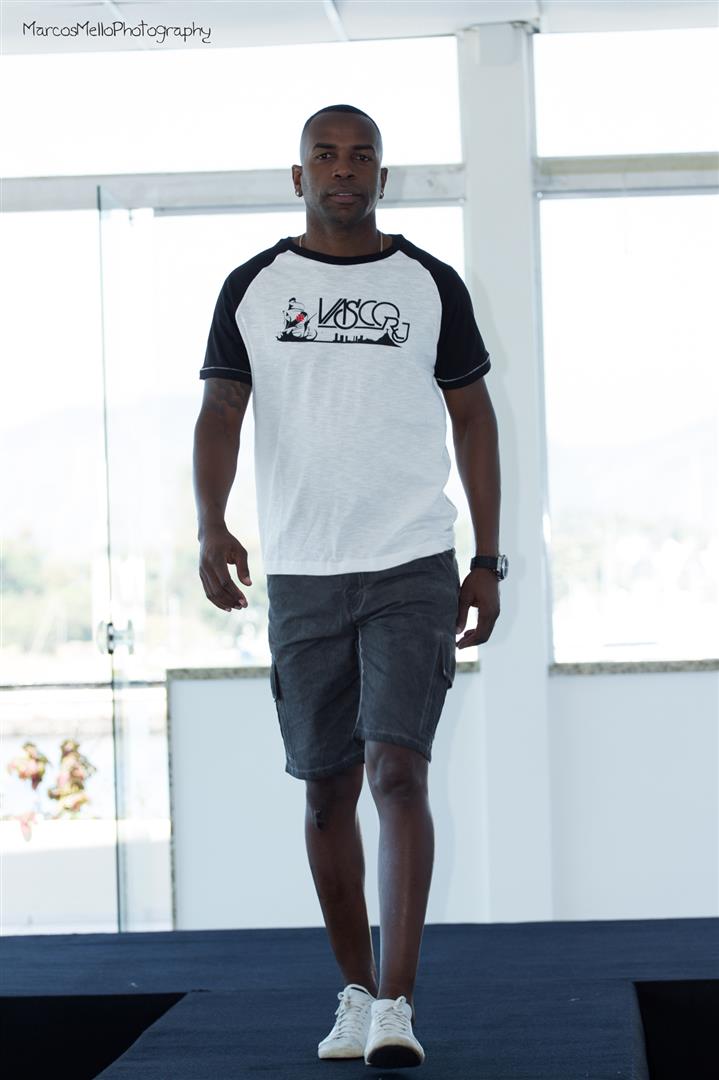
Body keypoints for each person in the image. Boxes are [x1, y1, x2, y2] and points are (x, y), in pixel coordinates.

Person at [193, 103, 506, 1070]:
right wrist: (210, 522)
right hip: (303, 574)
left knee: (396, 772)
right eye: (324, 156)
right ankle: (356, 994)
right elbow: (220, 410)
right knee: (327, 791)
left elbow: (474, 419)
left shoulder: (429, 285)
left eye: (360, 156)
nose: (343, 170)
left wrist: (486, 559)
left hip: (410, 561)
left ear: (381, 175)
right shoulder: (253, 288)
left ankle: (397, 1007)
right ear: (298, 177)